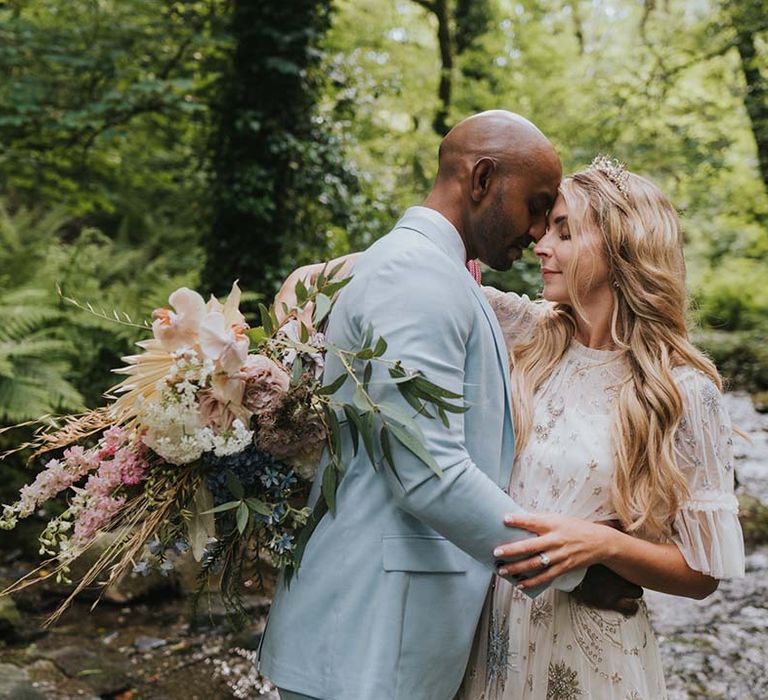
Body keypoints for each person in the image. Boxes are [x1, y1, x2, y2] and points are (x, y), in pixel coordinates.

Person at [288, 157, 746, 699]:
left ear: (624, 249)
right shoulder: (525, 331)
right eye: (545, 227)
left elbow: (701, 574)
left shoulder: (681, 389)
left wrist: (603, 545)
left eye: (566, 232)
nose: (540, 245)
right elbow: (329, 278)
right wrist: (286, 345)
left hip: (589, 650)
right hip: (480, 629)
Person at [257, 111, 636, 700]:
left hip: (386, 635)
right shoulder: (415, 277)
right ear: (482, 179)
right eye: (536, 206)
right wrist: (572, 570)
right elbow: (428, 473)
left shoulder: (436, 272)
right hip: (369, 638)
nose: (539, 231)